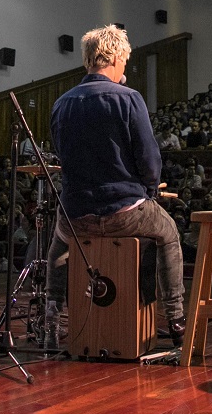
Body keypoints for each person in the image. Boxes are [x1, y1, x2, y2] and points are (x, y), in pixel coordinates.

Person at [43, 25, 186, 349]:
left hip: (76, 215)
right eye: (124, 60)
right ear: (115, 56)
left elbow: (63, 156)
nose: (125, 67)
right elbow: (150, 161)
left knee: (58, 248)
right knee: (169, 233)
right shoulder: (129, 98)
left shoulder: (61, 103)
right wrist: (148, 190)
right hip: (124, 212)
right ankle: (176, 320)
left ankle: (51, 322)